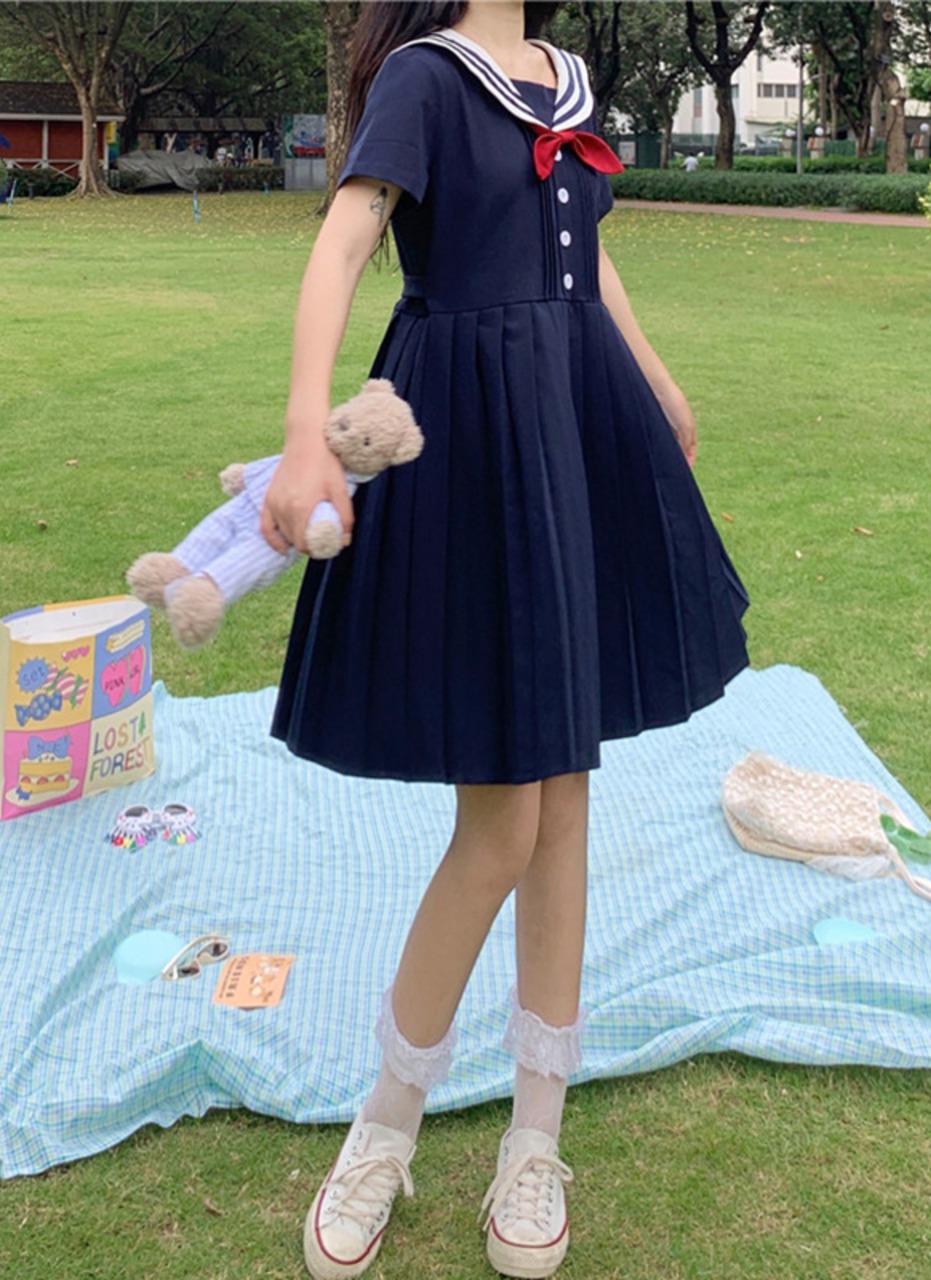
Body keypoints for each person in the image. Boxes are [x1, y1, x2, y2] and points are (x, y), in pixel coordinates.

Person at [261, 3, 749, 1277]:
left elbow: (592, 262)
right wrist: (306, 430)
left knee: (564, 797)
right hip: (471, 434)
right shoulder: (427, 78)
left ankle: (534, 1136)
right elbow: (344, 239)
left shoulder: (566, 79)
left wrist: (653, 375)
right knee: (504, 820)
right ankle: (384, 1125)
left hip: (575, 419)